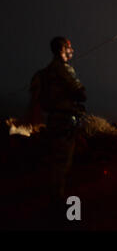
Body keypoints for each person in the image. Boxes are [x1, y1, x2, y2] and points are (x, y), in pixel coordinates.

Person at [30, 37, 86, 221]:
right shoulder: (63, 70)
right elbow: (80, 93)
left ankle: (52, 200)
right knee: (61, 164)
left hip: (52, 121)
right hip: (64, 122)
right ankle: (56, 206)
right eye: (69, 47)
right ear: (62, 48)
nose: (72, 50)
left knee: (54, 162)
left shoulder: (43, 73)